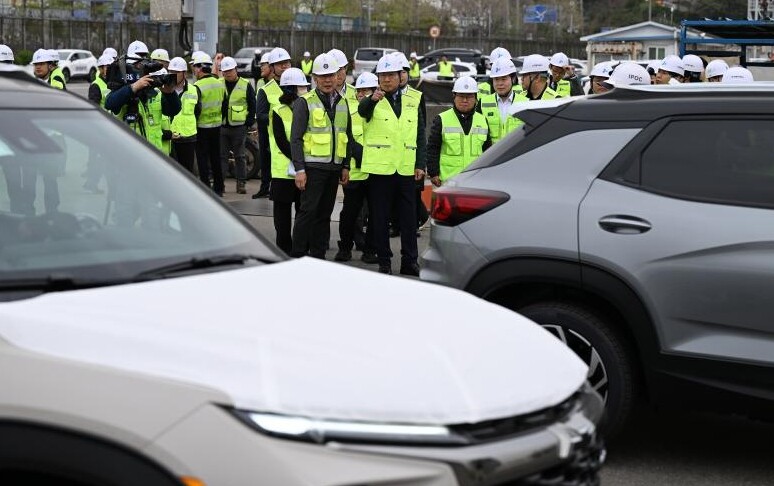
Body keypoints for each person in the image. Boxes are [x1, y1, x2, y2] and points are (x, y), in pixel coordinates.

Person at [358, 54, 426, 275]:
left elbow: (419, 135)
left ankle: (410, 261)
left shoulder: (413, 101)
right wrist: (373, 99)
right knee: (379, 218)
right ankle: (384, 261)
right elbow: (362, 112)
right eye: (382, 76)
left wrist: (420, 164)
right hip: (380, 169)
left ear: (401, 76)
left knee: (409, 219)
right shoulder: (371, 100)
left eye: (390, 75)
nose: (386, 80)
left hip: (405, 168)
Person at [290, 53, 352, 259]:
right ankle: (298, 253)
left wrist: (346, 166)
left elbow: (347, 136)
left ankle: (318, 254)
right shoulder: (304, 102)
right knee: (308, 212)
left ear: (338, 76)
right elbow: (296, 139)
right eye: (322, 76)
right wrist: (299, 169)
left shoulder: (343, 102)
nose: (327, 80)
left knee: (325, 215)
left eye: (331, 75)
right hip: (312, 168)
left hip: (334, 169)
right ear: (315, 78)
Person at [104, 40, 181, 152]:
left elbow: (173, 110)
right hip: (131, 154)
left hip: (155, 154)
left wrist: (169, 93)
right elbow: (109, 103)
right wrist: (134, 87)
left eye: (143, 64)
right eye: (138, 65)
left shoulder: (154, 91)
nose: (141, 68)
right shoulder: (123, 88)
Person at [335, 72, 378, 263]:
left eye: (366, 90)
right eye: (359, 90)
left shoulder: (382, 111)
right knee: (349, 213)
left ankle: (370, 250)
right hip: (354, 171)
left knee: (376, 214)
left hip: (376, 171)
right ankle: (345, 247)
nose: (362, 94)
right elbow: (345, 138)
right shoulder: (347, 109)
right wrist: (359, 156)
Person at [269, 67, 308, 254]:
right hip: (283, 171)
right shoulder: (278, 111)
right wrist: (298, 157)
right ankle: (284, 249)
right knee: (282, 216)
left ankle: (300, 248)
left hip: (302, 170)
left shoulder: (308, 107)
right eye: (301, 88)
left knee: (303, 213)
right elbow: (280, 140)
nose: (305, 90)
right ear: (291, 89)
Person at [427, 76, 491, 187]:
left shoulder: (482, 120)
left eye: (469, 96)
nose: (465, 100)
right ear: (454, 96)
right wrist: (433, 173)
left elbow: (487, 150)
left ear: (476, 97)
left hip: (475, 180)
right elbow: (433, 148)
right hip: (448, 181)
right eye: (461, 96)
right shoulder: (442, 119)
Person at [252, 47, 292, 199]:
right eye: (280, 63)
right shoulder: (266, 90)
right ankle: (266, 187)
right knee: (271, 165)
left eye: (286, 63)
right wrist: (277, 119)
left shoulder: (299, 85)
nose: (284, 66)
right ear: (273, 67)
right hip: (274, 138)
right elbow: (261, 115)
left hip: (296, 137)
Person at [220, 55, 257, 194]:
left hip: (239, 127)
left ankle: (241, 183)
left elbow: (253, 105)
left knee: (240, 156)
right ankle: (220, 184)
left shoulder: (245, 85)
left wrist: (248, 123)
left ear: (236, 69)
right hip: (222, 126)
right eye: (225, 71)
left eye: (230, 70)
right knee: (222, 156)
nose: (228, 73)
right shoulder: (219, 83)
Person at [192, 51, 226, 196]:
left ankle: (205, 188)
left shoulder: (197, 86)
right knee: (216, 158)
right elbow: (224, 106)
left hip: (202, 127)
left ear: (200, 68)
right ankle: (219, 188)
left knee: (202, 159)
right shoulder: (219, 84)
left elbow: (196, 109)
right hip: (216, 127)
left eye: (194, 67)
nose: (194, 71)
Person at [83, 53, 114, 193]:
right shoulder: (96, 85)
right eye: (104, 67)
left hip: (114, 128)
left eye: (109, 67)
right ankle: (91, 184)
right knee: (98, 159)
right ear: (100, 69)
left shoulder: (115, 82)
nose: (106, 69)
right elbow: (93, 108)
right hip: (102, 129)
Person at [477, 57, 523, 144]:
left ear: (512, 79)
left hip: (516, 155)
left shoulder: (525, 103)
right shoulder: (482, 103)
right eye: (496, 79)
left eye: (504, 79)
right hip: (491, 156)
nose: (500, 83)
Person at [167, 56, 198, 174]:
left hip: (188, 138)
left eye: (176, 72)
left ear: (184, 73)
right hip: (170, 137)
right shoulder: (164, 90)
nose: (173, 75)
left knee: (188, 173)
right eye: (171, 72)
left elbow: (197, 111)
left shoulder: (193, 90)